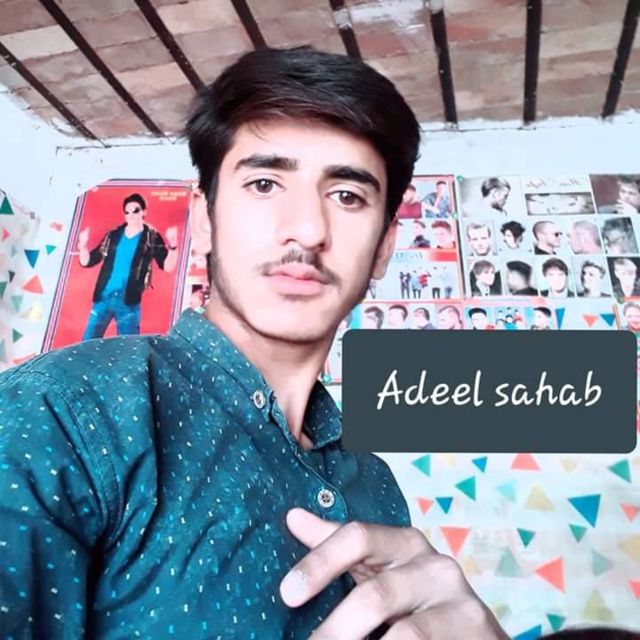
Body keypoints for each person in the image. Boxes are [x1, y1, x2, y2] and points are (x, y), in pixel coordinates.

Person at [0, 47, 508, 639]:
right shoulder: (62, 411)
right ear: (205, 219)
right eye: (264, 183)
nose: (308, 231)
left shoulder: (375, 484)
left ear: (384, 248)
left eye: (347, 195)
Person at [77, 193, 179, 340]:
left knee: (129, 348)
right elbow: (88, 261)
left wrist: (173, 246)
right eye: (127, 212)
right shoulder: (113, 235)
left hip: (128, 302)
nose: (131, 215)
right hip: (103, 298)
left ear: (144, 212)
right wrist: (83, 246)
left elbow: (167, 266)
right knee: (87, 344)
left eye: (135, 210)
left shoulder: (151, 237)